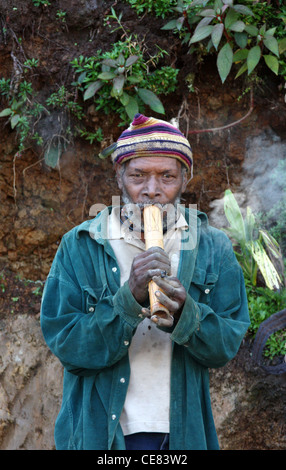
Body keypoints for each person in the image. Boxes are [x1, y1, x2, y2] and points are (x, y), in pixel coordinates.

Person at [40, 113, 250, 450]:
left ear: (185, 179)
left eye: (167, 176)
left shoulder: (213, 246)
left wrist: (186, 314)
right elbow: (68, 346)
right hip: (103, 435)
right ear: (119, 177)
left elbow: (225, 347)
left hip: (181, 432)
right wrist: (129, 300)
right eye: (138, 176)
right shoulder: (80, 244)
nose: (151, 191)